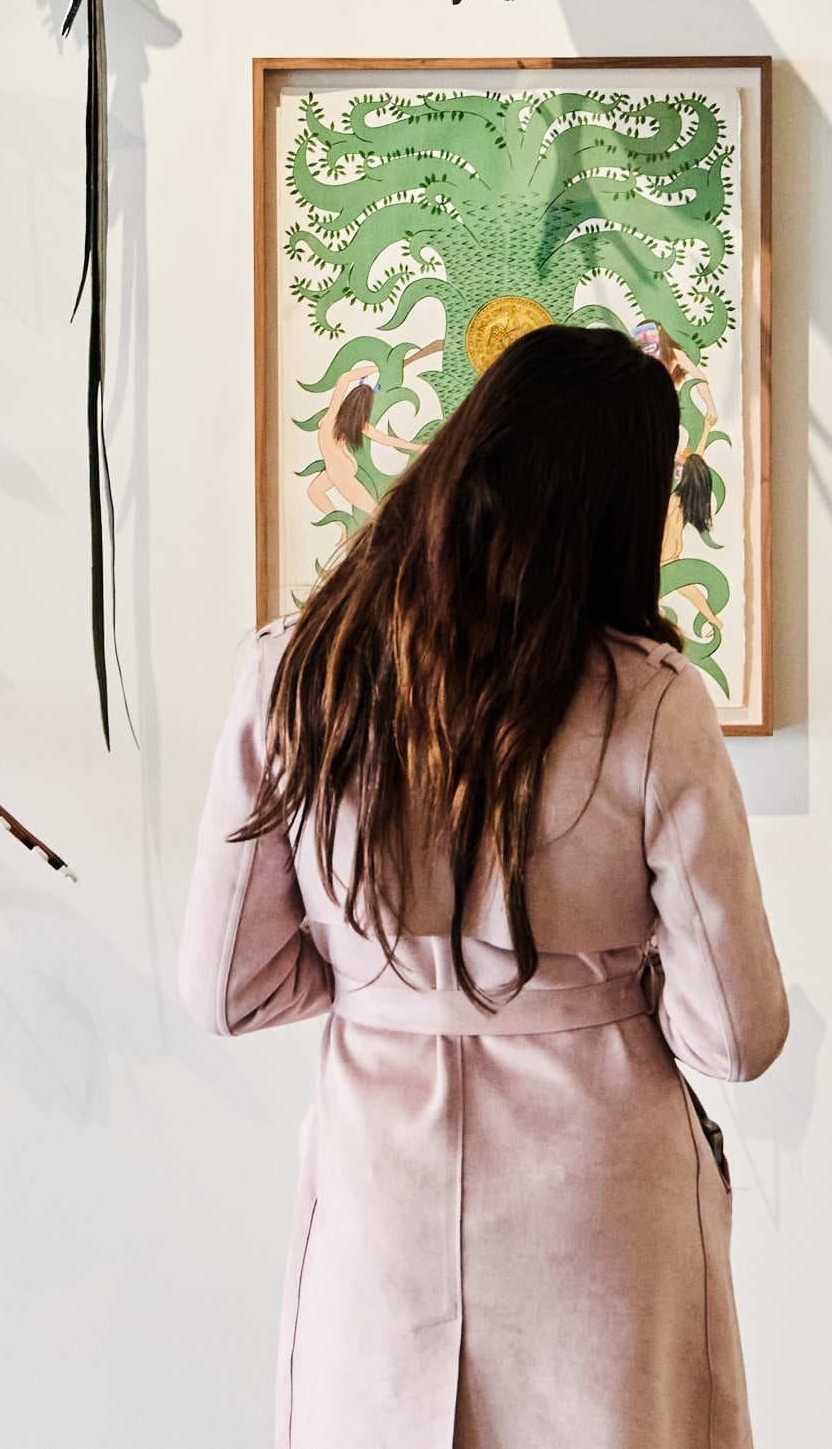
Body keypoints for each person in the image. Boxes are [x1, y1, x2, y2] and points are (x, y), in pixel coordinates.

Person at [179, 323, 789, 1449]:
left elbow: (226, 983)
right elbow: (737, 1033)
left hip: (382, 1194)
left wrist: (378, 969)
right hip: (600, 1206)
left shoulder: (295, 669)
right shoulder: (651, 701)